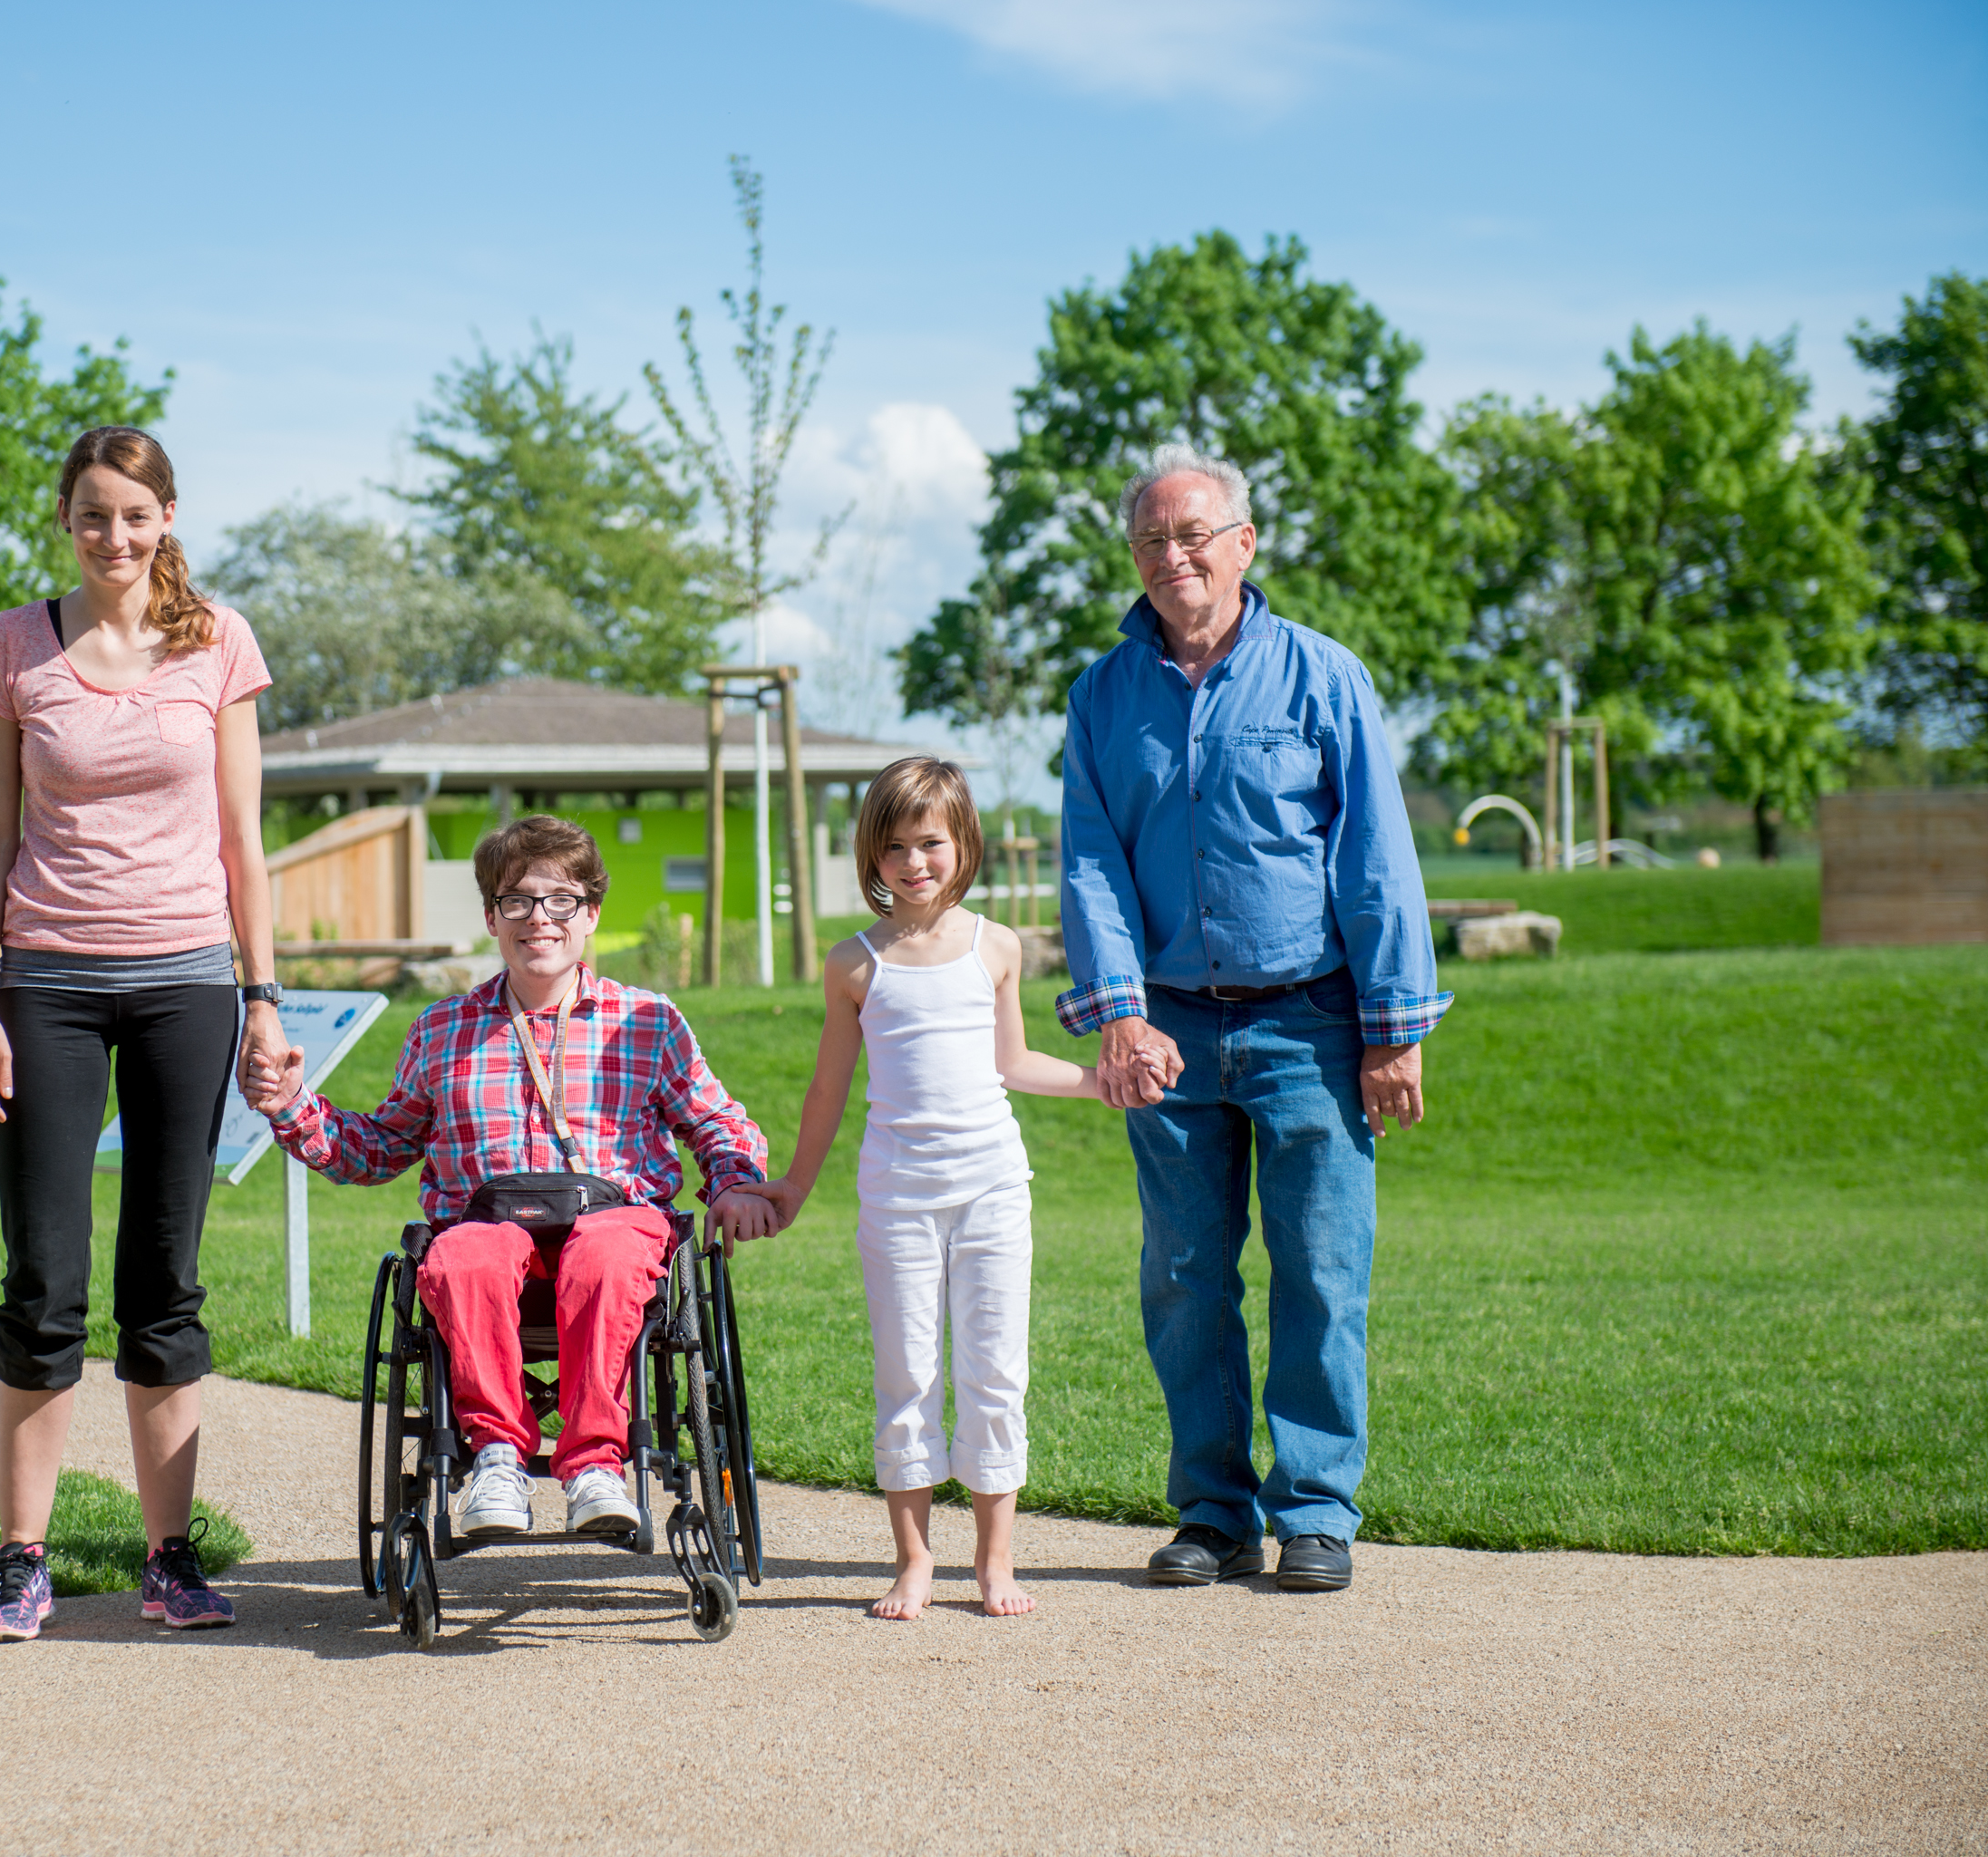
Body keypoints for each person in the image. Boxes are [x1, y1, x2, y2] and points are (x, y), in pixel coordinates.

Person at [1057, 443, 1450, 1595]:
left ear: (1243, 544)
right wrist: (1119, 1017)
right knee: (1182, 1276)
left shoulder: (1324, 676)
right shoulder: (1102, 695)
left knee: (1322, 1272)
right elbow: (1091, 866)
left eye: (1192, 535)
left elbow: (1378, 857)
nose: (1172, 557)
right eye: (1151, 540)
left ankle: (1317, 1508)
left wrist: (1393, 1026)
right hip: (1169, 1029)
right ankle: (1215, 1512)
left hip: (1312, 1025)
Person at [0, 426, 290, 1641]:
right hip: (45, 982)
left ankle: (167, 1556)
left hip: (185, 986)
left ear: (165, 521)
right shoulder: (15, 645)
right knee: (41, 1283)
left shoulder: (218, 643)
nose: (114, 537)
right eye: (93, 515)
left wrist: (263, 998)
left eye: (134, 516)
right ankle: (19, 1558)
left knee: (163, 1281)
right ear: (65, 518)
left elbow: (243, 840)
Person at [248, 815, 781, 1540]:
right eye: (517, 900)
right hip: (489, 1227)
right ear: (492, 917)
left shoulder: (649, 1021)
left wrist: (736, 1180)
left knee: (609, 1251)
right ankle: (497, 1457)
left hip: (613, 1223)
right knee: (463, 1254)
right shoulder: (442, 1029)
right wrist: (292, 1108)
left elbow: (719, 1121)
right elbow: (376, 1146)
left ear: (590, 913)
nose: (539, 918)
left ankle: (595, 1462)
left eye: (560, 899)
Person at [753, 758, 1124, 1619]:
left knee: (996, 1371)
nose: (913, 861)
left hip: (994, 1188)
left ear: (963, 846)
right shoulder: (855, 963)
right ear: (871, 859)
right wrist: (797, 1186)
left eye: (930, 842)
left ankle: (995, 1562)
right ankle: (915, 1559)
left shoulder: (997, 945)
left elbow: (1013, 1063)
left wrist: (1097, 1082)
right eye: (894, 847)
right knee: (908, 1372)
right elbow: (828, 1088)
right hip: (897, 1198)